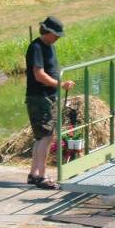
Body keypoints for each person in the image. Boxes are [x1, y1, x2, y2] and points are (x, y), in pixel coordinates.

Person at [25, 16, 75, 190]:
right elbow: (39, 74)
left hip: (49, 97)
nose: (58, 38)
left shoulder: (50, 46)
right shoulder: (36, 47)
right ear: (47, 32)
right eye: (56, 35)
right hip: (40, 97)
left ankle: (33, 174)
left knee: (42, 137)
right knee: (45, 137)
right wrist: (60, 84)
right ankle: (42, 176)